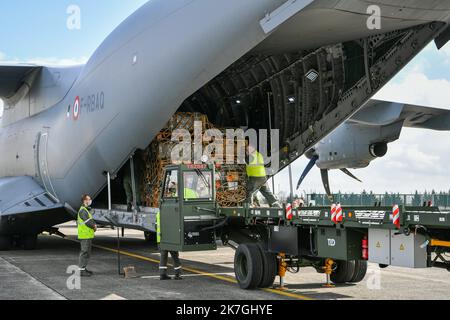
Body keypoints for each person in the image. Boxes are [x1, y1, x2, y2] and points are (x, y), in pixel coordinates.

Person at [246, 143, 280, 208]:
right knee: (266, 192)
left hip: (256, 177)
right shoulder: (258, 155)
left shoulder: (253, 156)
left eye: (248, 149)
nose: (247, 151)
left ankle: (248, 205)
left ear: (253, 149)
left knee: (250, 191)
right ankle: (275, 204)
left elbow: (248, 161)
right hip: (262, 178)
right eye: (247, 150)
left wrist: (245, 156)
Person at [156, 211, 182, 281]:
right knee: (175, 256)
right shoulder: (170, 212)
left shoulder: (159, 213)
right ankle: (178, 274)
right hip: (170, 239)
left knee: (163, 257)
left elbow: (156, 226)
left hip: (160, 239)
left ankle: (162, 274)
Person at [77, 194, 97, 277]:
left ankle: (83, 268)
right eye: (89, 199)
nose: (90, 200)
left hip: (87, 235)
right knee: (84, 252)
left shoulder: (85, 209)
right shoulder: (83, 211)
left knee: (87, 252)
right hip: (84, 235)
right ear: (85, 201)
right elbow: (88, 222)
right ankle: (81, 270)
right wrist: (94, 226)